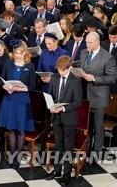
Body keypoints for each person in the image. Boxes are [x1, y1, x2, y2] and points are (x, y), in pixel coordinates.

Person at [0, 39, 36, 168]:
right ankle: (12, 156)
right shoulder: (9, 63)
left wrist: (18, 88)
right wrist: (6, 87)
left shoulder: (30, 66)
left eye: (20, 52)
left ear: (25, 52)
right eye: (16, 52)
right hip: (9, 99)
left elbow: (31, 86)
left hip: (22, 101)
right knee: (11, 129)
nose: (18, 55)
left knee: (20, 129)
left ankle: (18, 157)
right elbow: (2, 81)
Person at [45, 56, 82, 185]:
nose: (60, 73)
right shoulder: (54, 77)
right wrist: (50, 106)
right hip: (55, 117)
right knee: (58, 146)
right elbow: (49, 95)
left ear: (69, 68)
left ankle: (66, 175)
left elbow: (78, 102)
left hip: (69, 118)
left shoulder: (75, 81)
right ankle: (56, 170)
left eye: (62, 70)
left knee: (68, 147)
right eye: (58, 70)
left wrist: (63, 109)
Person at [79, 31, 117, 153]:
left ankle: (97, 151)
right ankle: (86, 148)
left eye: (90, 42)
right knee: (85, 126)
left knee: (98, 127)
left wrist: (94, 78)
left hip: (99, 97)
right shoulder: (83, 52)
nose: (87, 44)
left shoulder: (107, 57)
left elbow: (112, 78)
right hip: (84, 94)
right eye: (86, 42)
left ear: (97, 42)